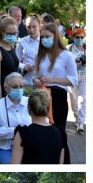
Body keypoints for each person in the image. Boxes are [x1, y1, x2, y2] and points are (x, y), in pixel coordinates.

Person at [33, 22, 79, 164]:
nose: (44, 39)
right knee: (42, 131)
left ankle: (63, 161)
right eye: (42, 37)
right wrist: (35, 79)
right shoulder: (41, 54)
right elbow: (35, 75)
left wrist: (53, 80)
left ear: (55, 36)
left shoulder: (66, 55)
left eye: (47, 36)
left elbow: (73, 80)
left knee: (58, 132)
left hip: (58, 96)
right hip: (41, 95)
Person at [11, 88, 64, 164]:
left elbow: (14, 165)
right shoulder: (60, 133)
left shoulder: (23, 134)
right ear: (48, 108)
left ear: (29, 108)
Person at [0, 72, 32, 163]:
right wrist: (16, 131)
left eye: (21, 86)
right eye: (15, 87)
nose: (19, 89)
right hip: (6, 148)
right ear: (6, 88)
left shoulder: (29, 102)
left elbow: (43, 121)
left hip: (29, 147)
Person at [68, 27, 87, 133]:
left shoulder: (87, 49)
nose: (79, 39)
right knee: (74, 99)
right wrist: (74, 63)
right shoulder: (69, 49)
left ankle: (81, 122)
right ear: (73, 37)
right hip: (72, 76)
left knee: (83, 99)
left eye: (81, 37)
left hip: (84, 76)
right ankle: (76, 117)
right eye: (77, 37)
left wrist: (85, 62)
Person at [16, 14, 41, 88]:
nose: (31, 30)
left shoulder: (44, 41)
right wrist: (24, 67)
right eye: (28, 27)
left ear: (39, 25)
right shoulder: (22, 41)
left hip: (41, 81)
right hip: (26, 80)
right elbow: (16, 60)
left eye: (34, 26)